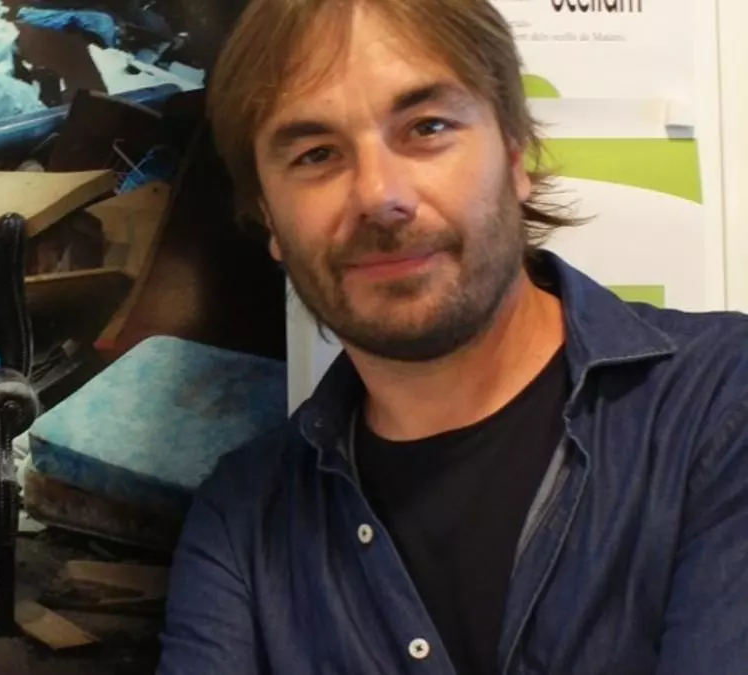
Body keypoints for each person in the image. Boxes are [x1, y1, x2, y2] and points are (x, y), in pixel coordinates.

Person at [158, 1, 748, 674]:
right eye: (317, 154)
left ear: (517, 153)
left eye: (427, 127)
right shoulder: (242, 522)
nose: (379, 196)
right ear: (269, 217)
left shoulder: (723, 402)